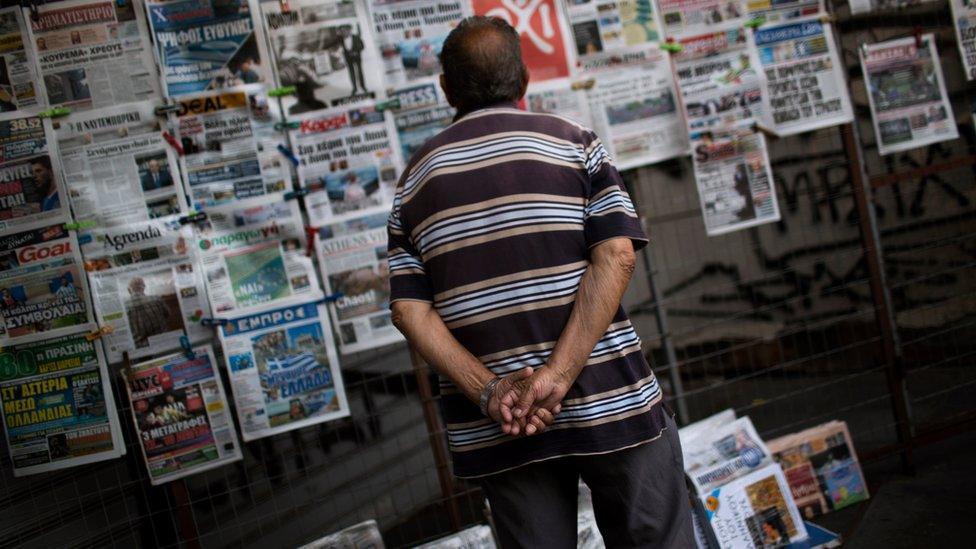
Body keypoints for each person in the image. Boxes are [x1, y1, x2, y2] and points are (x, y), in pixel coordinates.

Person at [388, 16, 694, 548]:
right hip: (609, 401)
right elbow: (618, 254)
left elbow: (409, 310)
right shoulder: (575, 144)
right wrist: (559, 373)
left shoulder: (414, 182)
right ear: (523, 78)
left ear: (445, 88)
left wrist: (490, 392)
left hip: (501, 426)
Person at [125, 277, 171, 348]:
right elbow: (168, 314)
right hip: (164, 342)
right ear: (144, 287)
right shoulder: (156, 298)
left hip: (141, 348)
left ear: (129, 290)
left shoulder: (125, 306)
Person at [339, 26, 367, 95]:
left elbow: (362, 46)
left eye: (345, 31)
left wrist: (356, 51)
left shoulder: (356, 37)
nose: (343, 33)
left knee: (359, 72)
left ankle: (363, 86)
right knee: (351, 73)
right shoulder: (341, 39)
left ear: (349, 31)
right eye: (342, 31)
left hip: (356, 57)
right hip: (348, 58)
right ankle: (354, 88)